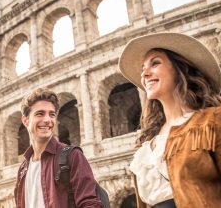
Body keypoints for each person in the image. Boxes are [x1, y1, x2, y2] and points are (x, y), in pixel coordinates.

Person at [118, 32, 221, 207]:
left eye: (155, 63)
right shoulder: (147, 146)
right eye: (143, 69)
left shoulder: (213, 122)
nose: (145, 74)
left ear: (180, 67)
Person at [14, 87, 102, 208]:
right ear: (26, 121)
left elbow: (90, 204)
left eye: (52, 114)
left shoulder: (72, 156)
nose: (47, 120)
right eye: (40, 114)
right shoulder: (23, 169)